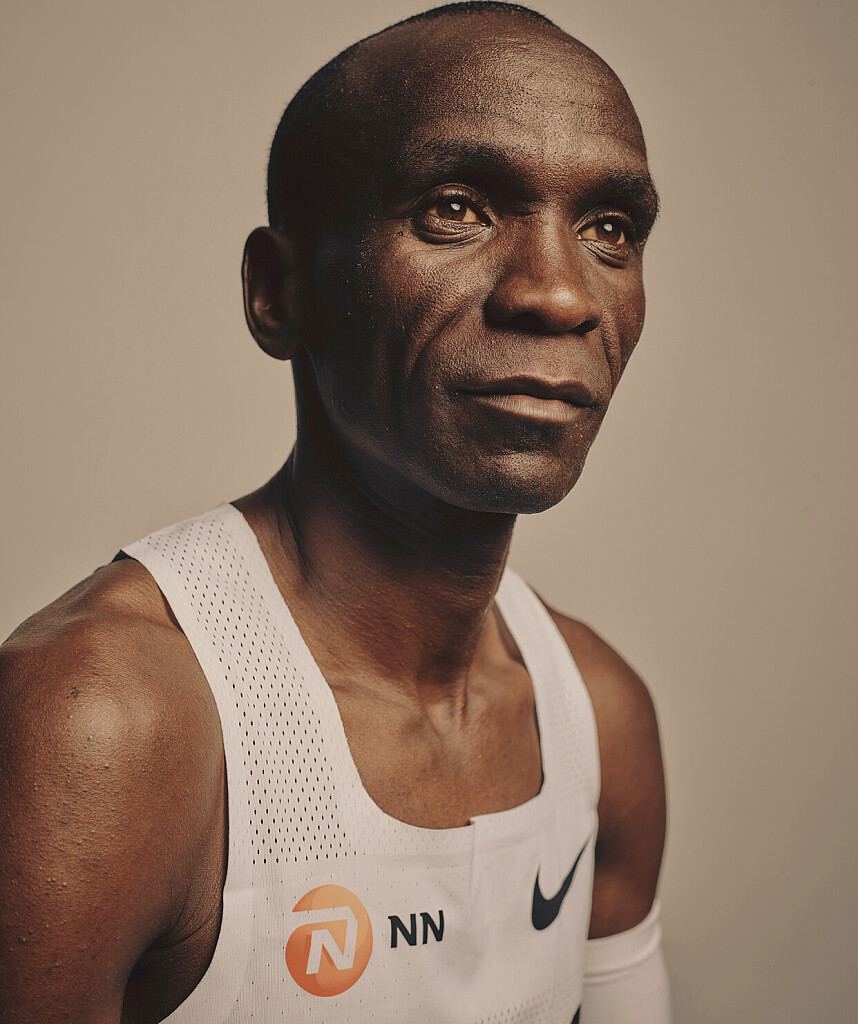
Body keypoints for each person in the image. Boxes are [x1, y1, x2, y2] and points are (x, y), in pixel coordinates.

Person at [0, 2, 669, 1021]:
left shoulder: (597, 716)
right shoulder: (108, 722)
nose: (560, 294)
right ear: (280, 291)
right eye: (456, 208)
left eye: (609, 229)